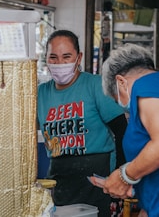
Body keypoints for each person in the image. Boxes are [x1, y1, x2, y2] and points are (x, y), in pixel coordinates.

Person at [37, 29, 128, 217]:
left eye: (66, 56)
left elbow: (122, 131)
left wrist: (120, 176)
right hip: (60, 181)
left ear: (78, 57)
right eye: (53, 57)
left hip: (99, 180)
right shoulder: (40, 94)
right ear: (45, 59)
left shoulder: (95, 85)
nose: (59, 63)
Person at [96, 43, 159, 217]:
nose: (125, 109)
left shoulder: (145, 86)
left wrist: (125, 176)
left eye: (118, 99)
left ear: (121, 82)